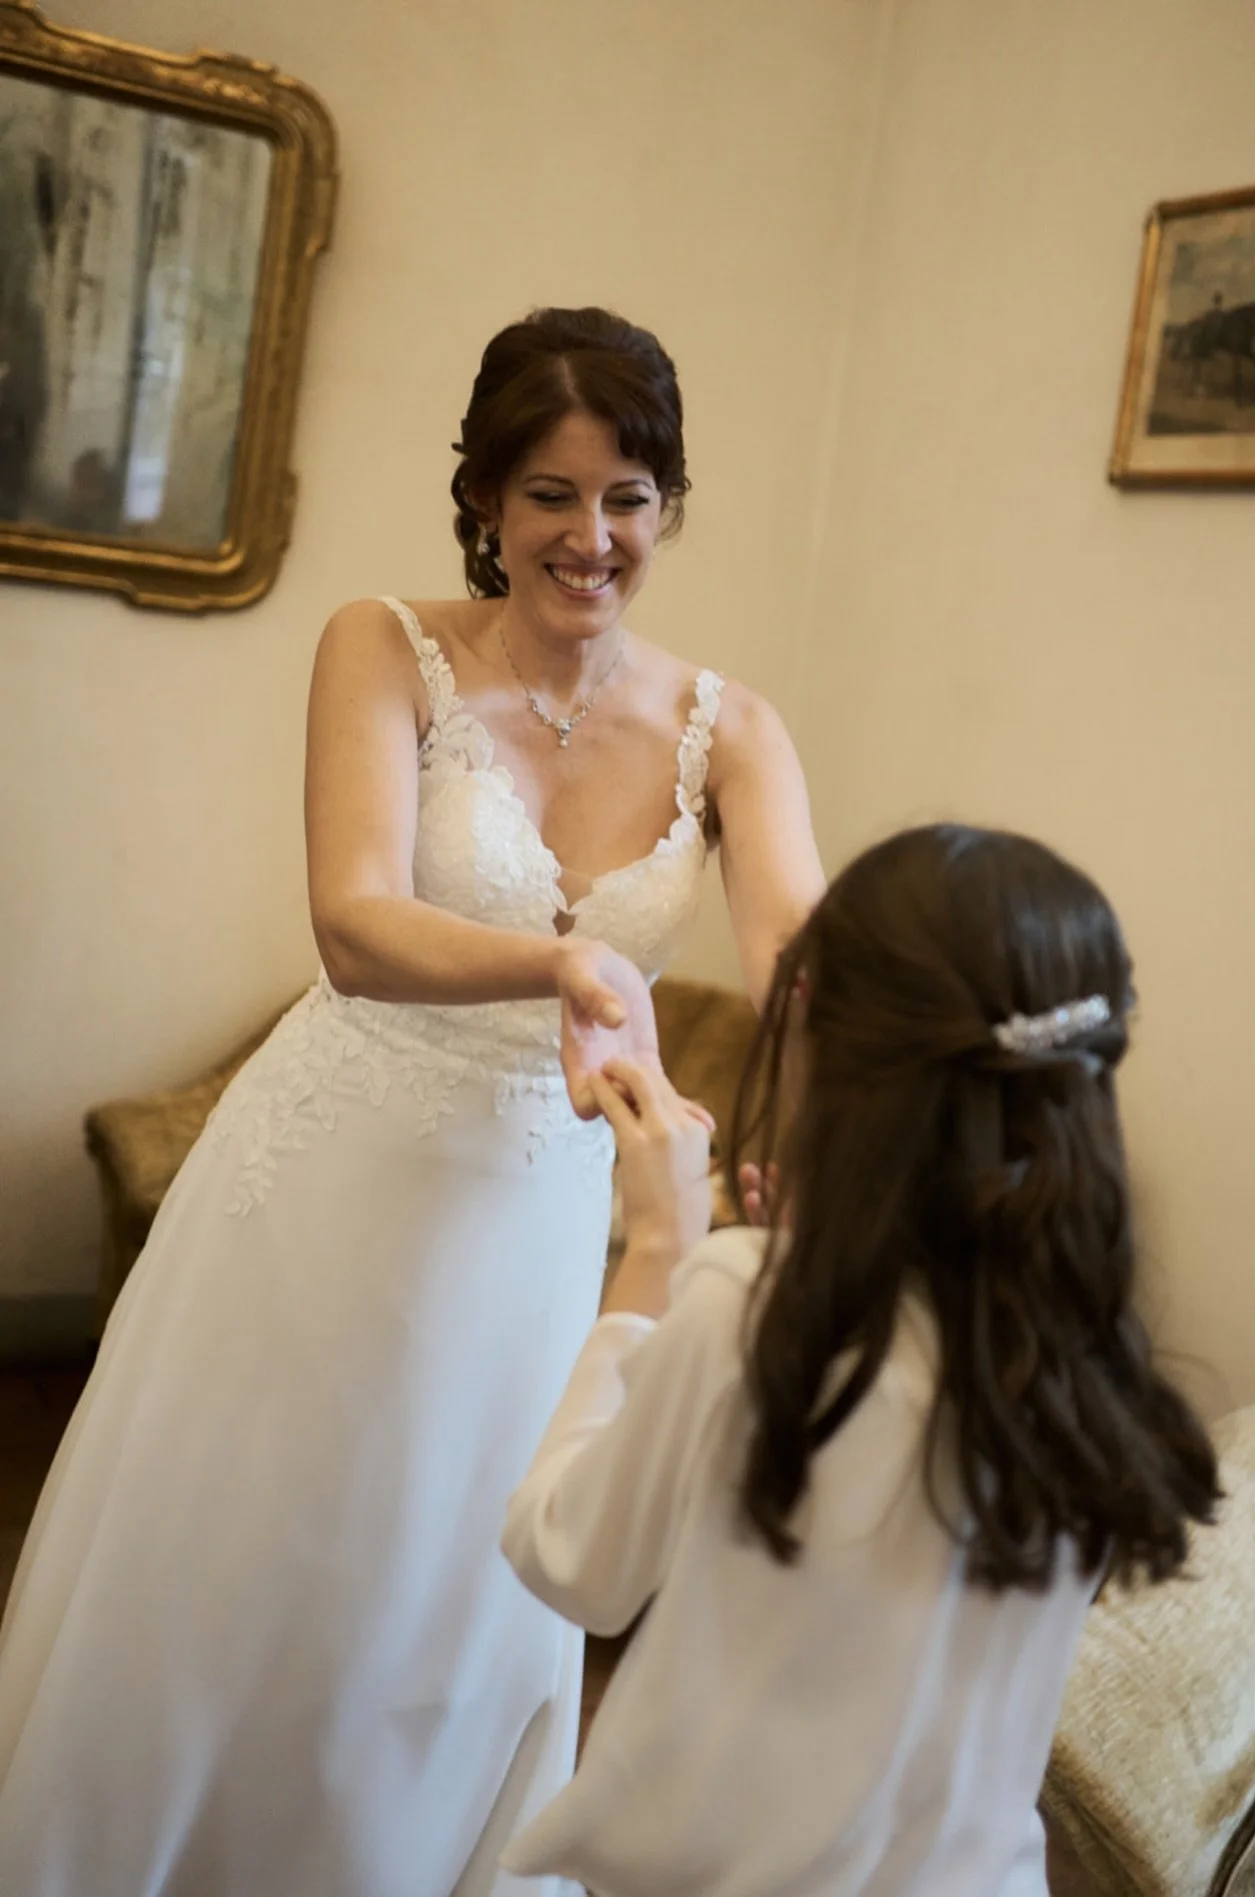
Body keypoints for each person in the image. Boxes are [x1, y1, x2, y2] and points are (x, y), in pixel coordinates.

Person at [0, 306, 824, 1896]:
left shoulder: (734, 732)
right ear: (486, 500)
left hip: (524, 1217)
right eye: (550, 496)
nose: (591, 538)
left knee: (450, 1581)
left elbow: (802, 960)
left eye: (629, 497)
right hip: (324, 1179)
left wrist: (840, 1083)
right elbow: (355, 922)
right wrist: (572, 971)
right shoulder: (382, 646)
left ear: (667, 506)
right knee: (252, 1558)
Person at [501, 822, 1221, 1897]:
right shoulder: (1081, 1359)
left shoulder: (743, 1310)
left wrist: (662, 1245)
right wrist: (815, 1254)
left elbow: (569, 1558)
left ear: (829, 1050)